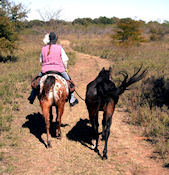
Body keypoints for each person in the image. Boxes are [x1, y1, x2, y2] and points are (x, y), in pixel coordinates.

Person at [28, 32, 79, 107]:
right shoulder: (60, 48)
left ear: (49, 39)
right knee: (70, 83)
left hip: (45, 70)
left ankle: (32, 97)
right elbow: (65, 60)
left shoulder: (43, 48)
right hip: (59, 69)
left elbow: (41, 61)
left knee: (36, 82)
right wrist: (65, 68)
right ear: (56, 39)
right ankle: (72, 99)